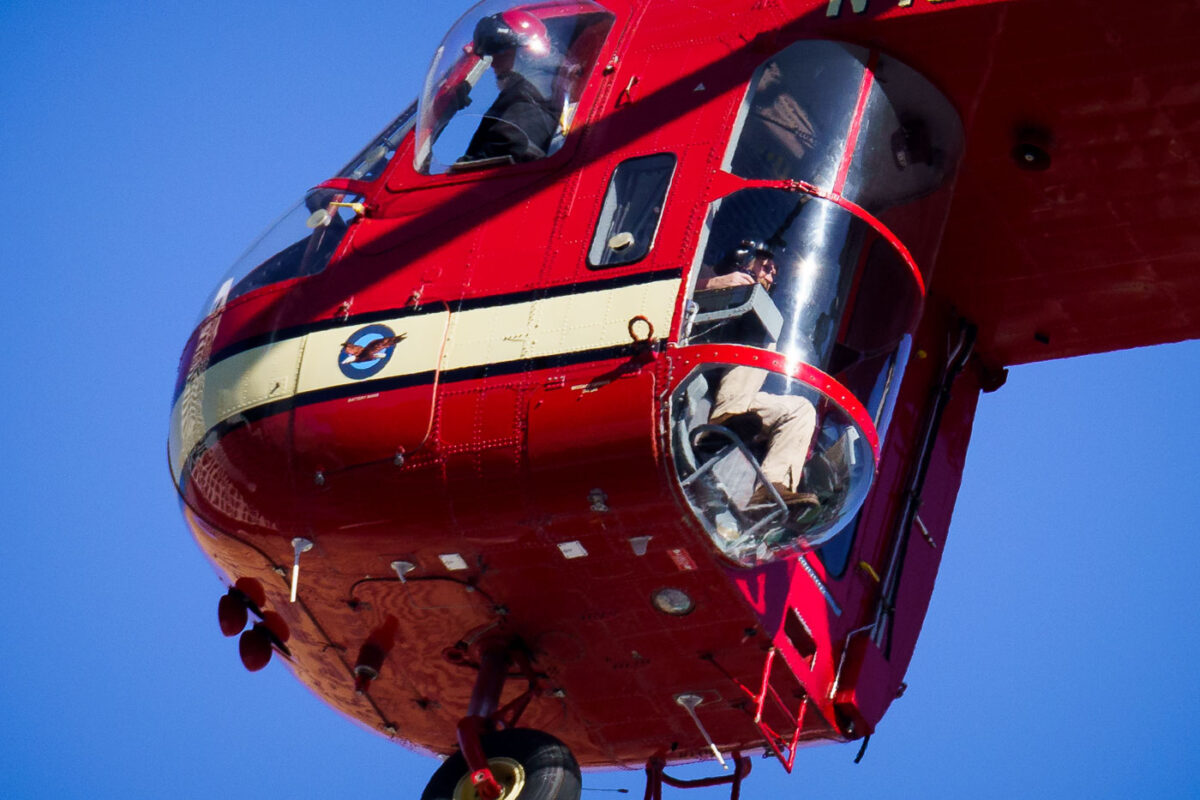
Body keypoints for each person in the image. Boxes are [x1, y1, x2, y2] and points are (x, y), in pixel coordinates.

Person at [695, 241, 819, 518]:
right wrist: (712, 283)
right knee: (762, 335)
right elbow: (668, 289)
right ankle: (721, 423)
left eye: (775, 273)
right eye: (767, 267)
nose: (771, 275)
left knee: (800, 411)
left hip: (736, 396)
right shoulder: (703, 268)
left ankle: (771, 491)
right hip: (695, 368)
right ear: (745, 258)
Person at [462, 11, 559, 163]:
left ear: (526, 55)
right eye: (491, 56)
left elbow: (504, 151)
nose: (493, 64)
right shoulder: (543, 94)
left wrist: (457, 169)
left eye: (502, 54)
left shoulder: (525, 100)